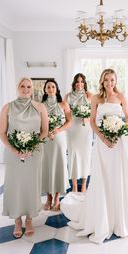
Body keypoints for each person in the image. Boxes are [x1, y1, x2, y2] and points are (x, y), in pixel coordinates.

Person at [61, 69, 128, 243]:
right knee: (104, 177)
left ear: (115, 81)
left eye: (112, 80)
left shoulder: (121, 97)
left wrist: (118, 131)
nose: (109, 83)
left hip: (120, 142)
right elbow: (93, 121)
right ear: (102, 81)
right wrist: (103, 137)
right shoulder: (96, 98)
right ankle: (102, 216)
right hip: (102, 144)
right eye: (106, 80)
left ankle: (120, 217)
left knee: (120, 176)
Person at [0, 77, 48, 238]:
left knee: (31, 185)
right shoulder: (7, 107)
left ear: (32, 89)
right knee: (15, 185)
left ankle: (29, 219)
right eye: (22, 86)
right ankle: (17, 220)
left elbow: (44, 131)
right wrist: (14, 150)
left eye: (28, 86)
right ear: (17, 87)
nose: (26, 89)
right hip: (14, 154)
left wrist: (31, 147)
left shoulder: (40, 107)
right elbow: (2, 132)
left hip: (34, 153)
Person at [42, 79, 72, 211]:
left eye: (53, 87)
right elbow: (38, 122)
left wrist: (58, 130)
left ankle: (56, 197)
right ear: (45, 90)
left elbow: (69, 121)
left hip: (59, 138)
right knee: (47, 166)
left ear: (57, 89)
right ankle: (48, 197)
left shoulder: (63, 104)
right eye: (48, 87)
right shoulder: (40, 105)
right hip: (46, 139)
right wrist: (46, 131)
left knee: (59, 165)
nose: (50, 89)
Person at [64, 73, 93, 192]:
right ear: (74, 83)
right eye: (77, 81)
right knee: (73, 156)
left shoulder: (90, 95)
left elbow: (95, 111)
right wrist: (75, 114)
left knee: (86, 156)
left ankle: (84, 185)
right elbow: (65, 113)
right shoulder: (68, 96)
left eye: (82, 81)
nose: (79, 84)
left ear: (84, 83)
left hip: (85, 128)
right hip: (73, 128)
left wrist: (87, 117)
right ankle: (75, 185)